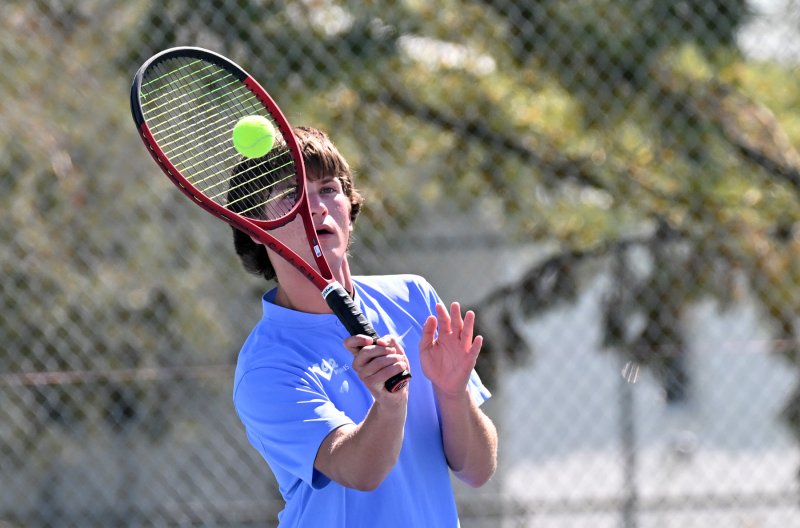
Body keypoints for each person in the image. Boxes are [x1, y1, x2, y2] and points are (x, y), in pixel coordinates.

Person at [230, 126, 498, 527]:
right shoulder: (267, 366)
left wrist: (452, 393)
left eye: (328, 189)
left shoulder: (414, 299)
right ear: (255, 229)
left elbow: (477, 470)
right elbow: (358, 472)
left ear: (350, 209)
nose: (316, 207)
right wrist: (390, 406)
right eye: (290, 195)